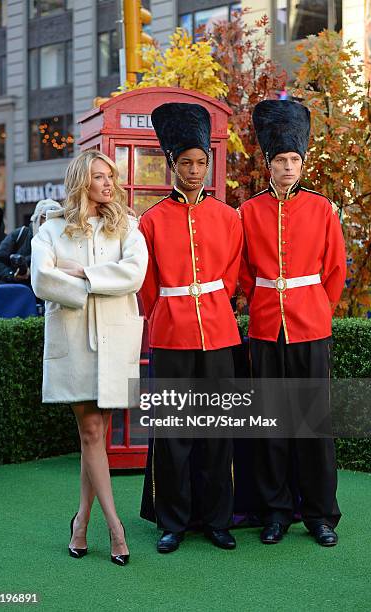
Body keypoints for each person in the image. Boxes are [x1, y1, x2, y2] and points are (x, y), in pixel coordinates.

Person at [31, 149, 148, 566]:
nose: (108, 184)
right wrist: (96, 283)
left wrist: (82, 273)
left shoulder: (127, 225)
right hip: (75, 339)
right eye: (99, 176)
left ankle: (80, 522)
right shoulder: (53, 229)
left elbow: (135, 273)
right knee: (93, 432)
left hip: (116, 337)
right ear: (82, 180)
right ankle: (115, 527)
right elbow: (43, 279)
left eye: (110, 177)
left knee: (93, 437)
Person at [238, 99, 347, 546]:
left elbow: (336, 270)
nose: (288, 167)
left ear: (303, 163)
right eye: (280, 160)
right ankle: (277, 511)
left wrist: (316, 309)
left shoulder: (322, 209)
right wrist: (263, 298)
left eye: (294, 160)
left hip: (310, 328)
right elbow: (242, 269)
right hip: (266, 327)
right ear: (268, 163)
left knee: (313, 426)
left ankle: (320, 514)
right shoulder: (247, 212)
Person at [139, 103, 243, 553]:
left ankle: (218, 519)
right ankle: (173, 521)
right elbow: (147, 288)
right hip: (171, 335)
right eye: (186, 163)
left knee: (217, 431)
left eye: (202, 162)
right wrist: (170, 314)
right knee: (175, 432)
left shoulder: (228, 216)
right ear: (172, 166)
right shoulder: (151, 220)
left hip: (219, 334)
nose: (196, 170)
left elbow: (233, 276)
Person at [0, 199, 60, 285]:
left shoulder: (62, 242)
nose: (50, 222)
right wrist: (13, 275)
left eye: (56, 218)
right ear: (37, 219)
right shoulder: (20, 234)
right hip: (22, 294)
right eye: (46, 217)